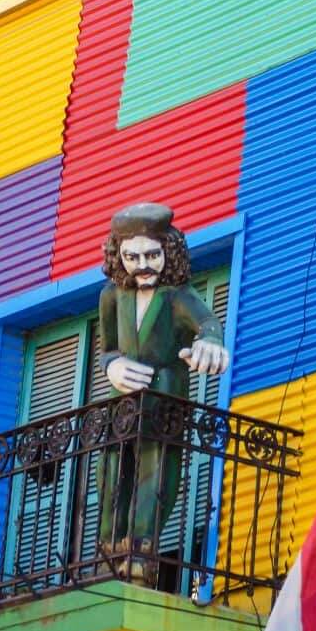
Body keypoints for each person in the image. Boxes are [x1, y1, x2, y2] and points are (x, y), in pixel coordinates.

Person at [95, 203, 229, 586]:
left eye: (151, 255)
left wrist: (210, 343)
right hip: (121, 403)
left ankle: (140, 552)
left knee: (156, 476)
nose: (142, 265)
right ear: (119, 256)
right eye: (131, 256)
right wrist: (111, 367)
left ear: (167, 252)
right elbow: (107, 349)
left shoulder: (176, 297)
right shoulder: (111, 296)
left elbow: (207, 323)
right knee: (112, 476)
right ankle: (108, 552)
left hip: (166, 398)